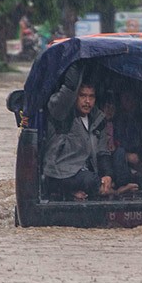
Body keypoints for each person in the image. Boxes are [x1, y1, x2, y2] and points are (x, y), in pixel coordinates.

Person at [43, 62, 114, 200]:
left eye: (91, 96)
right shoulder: (62, 114)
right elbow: (68, 91)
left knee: (110, 176)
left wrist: (108, 175)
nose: (87, 101)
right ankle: (117, 192)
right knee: (92, 182)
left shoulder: (98, 119)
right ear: (75, 97)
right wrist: (77, 62)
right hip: (60, 173)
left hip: (85, 173)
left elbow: (102, 152)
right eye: (82, 96)